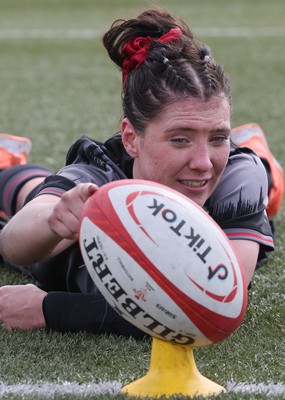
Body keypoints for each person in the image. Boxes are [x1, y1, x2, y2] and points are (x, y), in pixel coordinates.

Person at [0, 8, 283, 336]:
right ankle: (6, 162)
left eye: (219, 137)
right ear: (132, 138)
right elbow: (14, 245)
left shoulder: (237, 175)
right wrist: (55, 219)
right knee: (35, 196)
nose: (204, 161)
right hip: (68, 234)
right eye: (181, 139)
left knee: (259, 177)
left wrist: (51, 310)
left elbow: (211, 306)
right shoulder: (99, 175)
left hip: (237, 186)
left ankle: (263, 159)